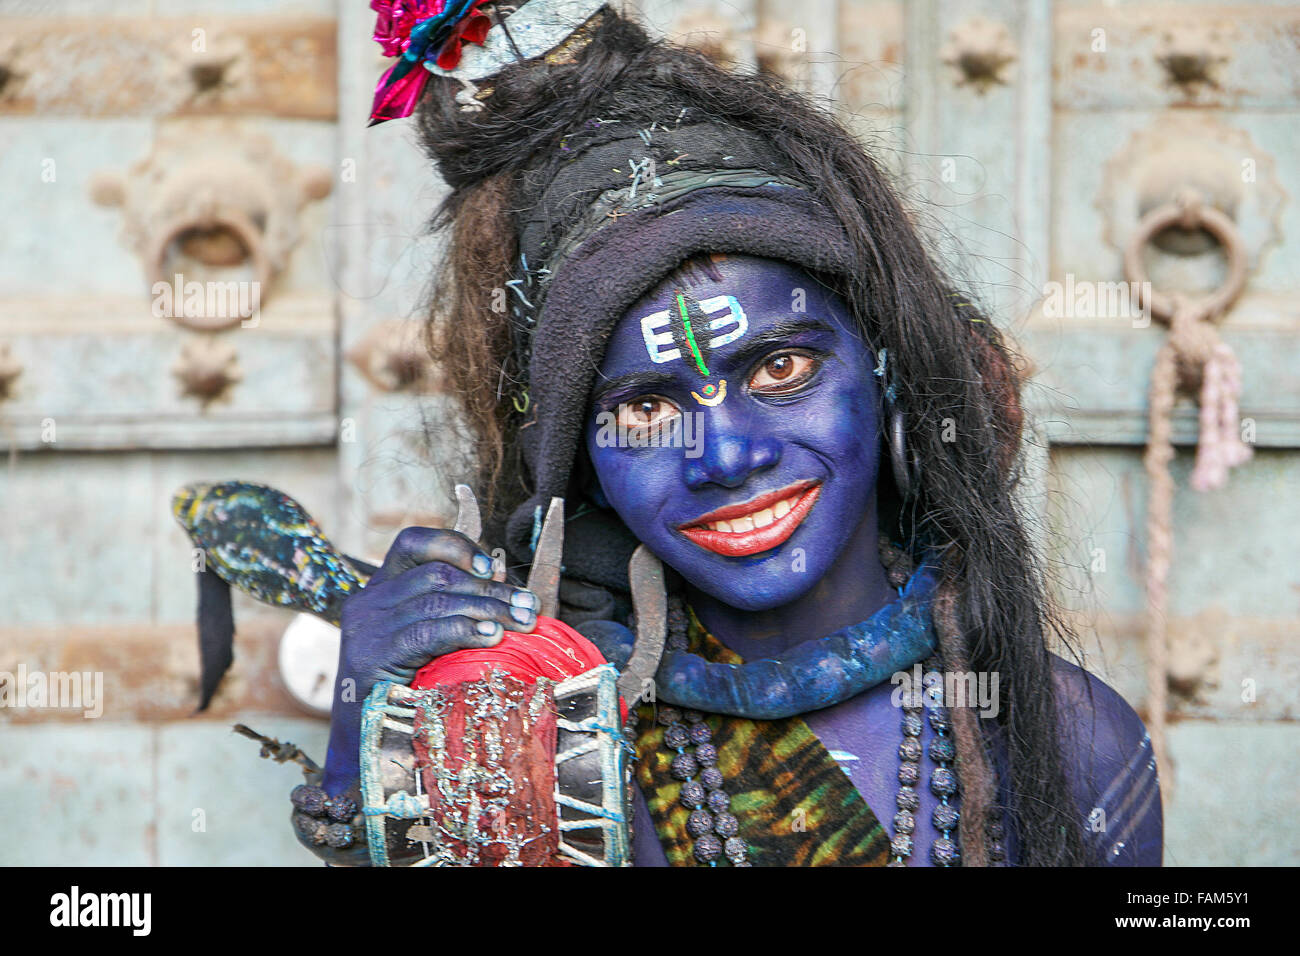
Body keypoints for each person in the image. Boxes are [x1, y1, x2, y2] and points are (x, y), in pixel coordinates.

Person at [317, 0, 1162, 866]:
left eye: (780, 369)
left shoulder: (1072, 744)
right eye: (647, 409)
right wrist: (368, 756)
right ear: (585, 467)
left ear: (887, 374)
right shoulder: (533, 757)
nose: (726, 455)